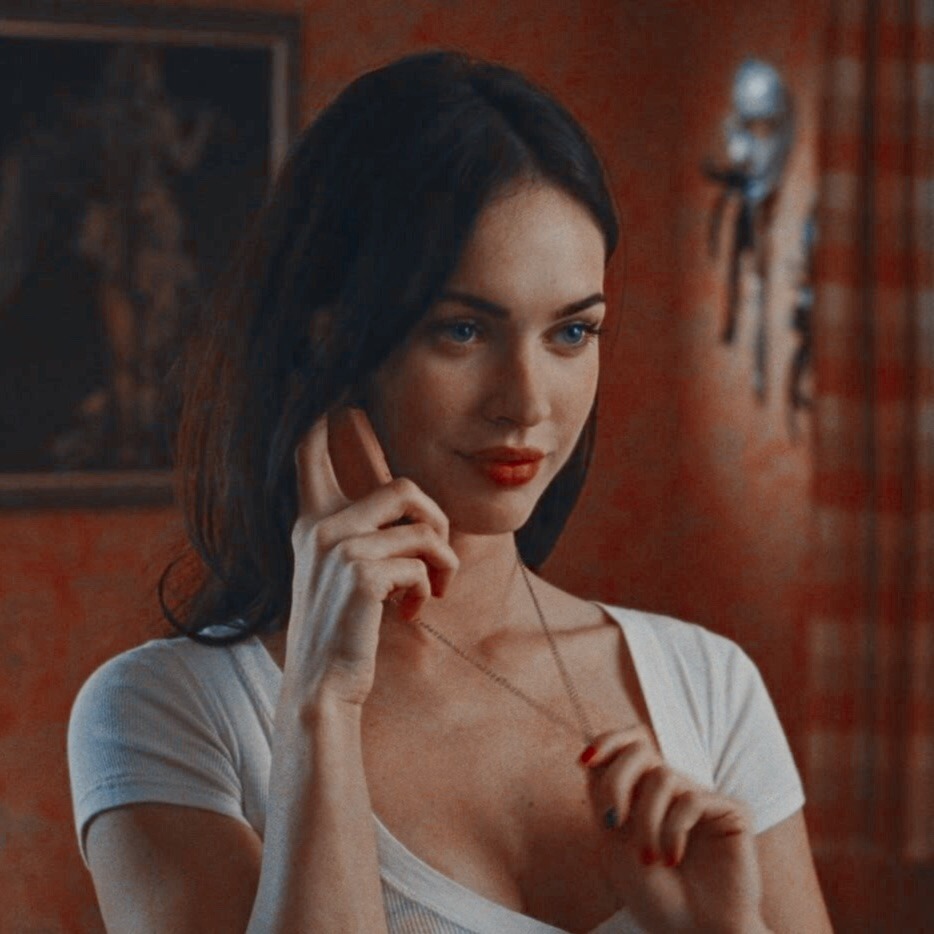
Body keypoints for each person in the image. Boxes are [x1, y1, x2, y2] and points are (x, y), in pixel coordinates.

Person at [67, 51, 832, 933]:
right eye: (463, 330)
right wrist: (321, 706)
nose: (527, 402)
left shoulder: (708, 686)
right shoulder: (164, 714)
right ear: (328, 339)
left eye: (571, 332)